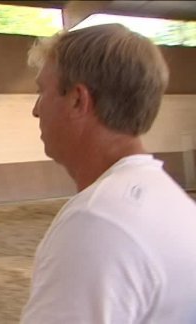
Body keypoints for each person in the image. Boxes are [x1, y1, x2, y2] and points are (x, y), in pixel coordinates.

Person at [21, 24, 196, 323]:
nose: (36, 110)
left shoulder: (97, 221)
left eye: (42, 91)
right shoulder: (174, 203)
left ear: (78, 100)